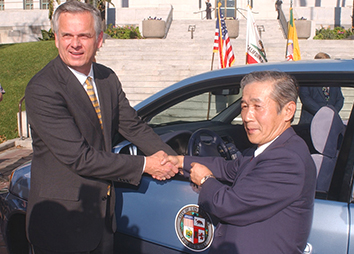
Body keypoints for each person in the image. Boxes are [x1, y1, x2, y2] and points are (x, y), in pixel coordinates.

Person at [25, 1, 178, 253]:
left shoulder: (106, 78)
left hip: (102, 219)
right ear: (55, 39)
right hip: (61, 226)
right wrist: (146, 165)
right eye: (67, 35)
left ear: (99, 39)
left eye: (84, 35)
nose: (75, 44)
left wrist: (172, 161)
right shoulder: (43, 89)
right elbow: (80, 158)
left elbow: (134, 126)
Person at [167, 71, 317, 253]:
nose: (246, 116)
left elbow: (229, 205)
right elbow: (228, 168)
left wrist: (206, 180)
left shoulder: (287, 159)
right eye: (244, 106)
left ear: (288, 111)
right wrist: (181, 160)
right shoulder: (271, 147)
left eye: (257, 106)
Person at [298, 52, 344, 124]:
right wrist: (322, 113)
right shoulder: (307, 78)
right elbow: (305, 98)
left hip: (330, 122)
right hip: (310, 121)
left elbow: (340, 99)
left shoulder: (333, 80)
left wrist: (332, 112)